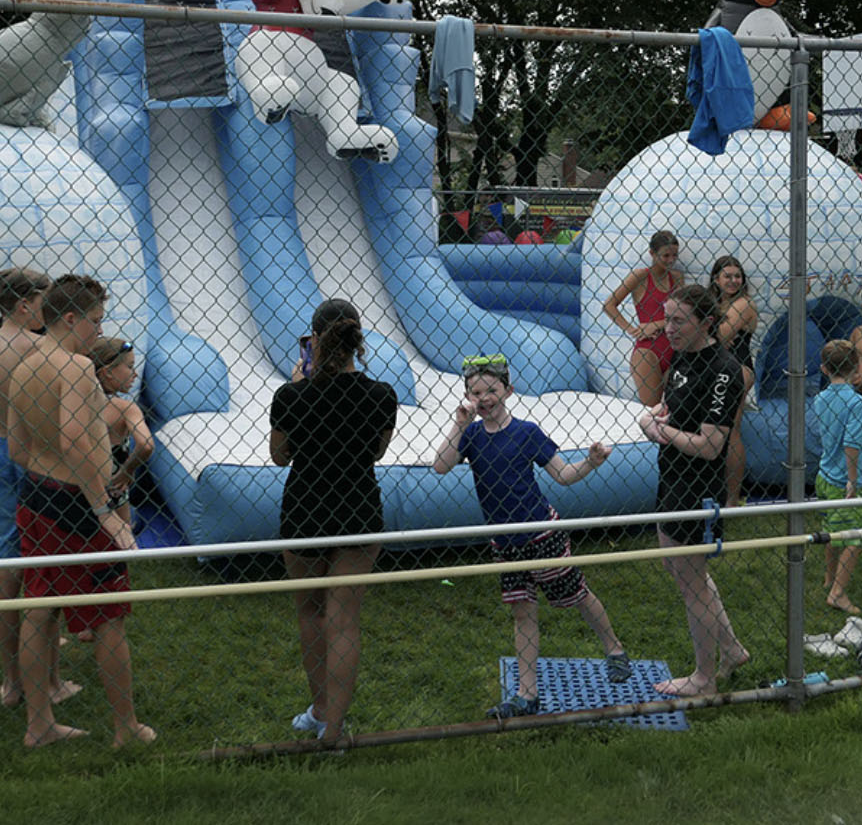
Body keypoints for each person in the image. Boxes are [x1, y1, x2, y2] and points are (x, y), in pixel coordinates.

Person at [432, 354, 632, 718]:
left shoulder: (526, 432)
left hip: (541, 535)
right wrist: (458, 425)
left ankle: (615, 648)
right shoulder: (472, 436)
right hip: (505, 542)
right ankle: (528, 694)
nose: (484, 397)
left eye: (491, 389)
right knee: (522, 613)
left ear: (508, 390)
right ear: (467, 397)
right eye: (475, 392)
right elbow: (440, 465)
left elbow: (563, 475)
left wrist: (590, 462)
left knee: (578, 595)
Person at [6, 274, 153, 749]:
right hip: (78, 504)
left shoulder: (24, 366)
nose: (98, 329)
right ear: (70, 318)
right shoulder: (73, 368)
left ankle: (39, 723)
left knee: (41, 607)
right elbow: (74, 437)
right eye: (95, 321)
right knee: (109, 616)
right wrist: (102, 508)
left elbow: (17, 449)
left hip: (37, 495)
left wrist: (52, 476)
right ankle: (126, 728)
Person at [270, 298, 397, 744]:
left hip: (305, 506)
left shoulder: (291, 396)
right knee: (343, 619)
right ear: (358, 340)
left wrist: (298, 388)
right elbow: (377, 452)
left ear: (315, 341)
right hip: (358, 506)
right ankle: (334, 730)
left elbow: (279, 456)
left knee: (310, 611)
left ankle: (320, 707)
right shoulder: (381, 394)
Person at [637, 286, 751, 698]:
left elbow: (709, 445)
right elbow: (676, 410)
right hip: (672, 477)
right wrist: (659, 418)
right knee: (685, 573)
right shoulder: (683, 356)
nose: (669, 328)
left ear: (706, 323)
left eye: (678, 320)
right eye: (666, 318)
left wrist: (659, 431)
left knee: (693, 584)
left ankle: (703, 678)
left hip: (697, 487)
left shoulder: (723, 369)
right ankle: (732, 649)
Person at [0, 266, 76, 708]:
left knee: (4, 563)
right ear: (23, 304)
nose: (48, 311)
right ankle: (51, 682)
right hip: (37, 455)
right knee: (44, 565)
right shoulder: (42, 347)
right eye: (43, 302)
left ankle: (11, 682)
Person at [812, 339, 862, 614]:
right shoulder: (857, 403)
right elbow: (852, 442)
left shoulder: (820, 399)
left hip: (824, 475)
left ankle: (829, 577)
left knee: (833, 531)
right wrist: (852, 479)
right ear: (856, 367)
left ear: (823, 369)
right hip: (845, 481)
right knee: (856, 537)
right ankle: (838, 592)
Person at [602, 230, 684, 406]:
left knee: (674, 408)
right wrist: (632, 329)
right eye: (665, 255)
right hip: (648, 351)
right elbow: (609, 305)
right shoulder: (641, 276)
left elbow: (682, 315)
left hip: (674, 348)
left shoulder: (676, 278)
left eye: (674, 255)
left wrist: (655, 324)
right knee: (651, 409)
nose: (671, 260)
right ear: (652, 254)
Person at [89, 337, 153, 530]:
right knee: (120, 539)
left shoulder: (76, 404)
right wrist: (127, 470)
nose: (134, 374)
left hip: (79, 483)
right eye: (129, 367)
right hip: (114, 487)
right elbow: (146, 444)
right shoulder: (124, 408)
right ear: (107, 372)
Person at [711, 255, 757, 506]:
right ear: (716, 279)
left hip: (738, 368)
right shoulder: (715, 304)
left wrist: (706, 332)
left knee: (730, 432)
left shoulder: (743, 303)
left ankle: (732, 498)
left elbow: (720, 337)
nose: (732, 280)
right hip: (716, 369)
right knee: (715, 430)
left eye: (737, 276)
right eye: (727, 276)